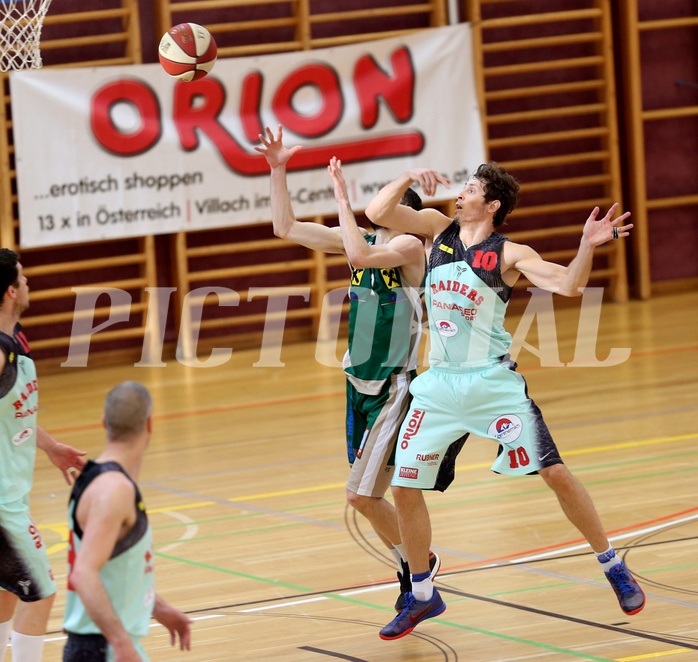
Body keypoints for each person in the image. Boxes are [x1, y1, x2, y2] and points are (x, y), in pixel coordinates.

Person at [362, 163, 646, 640]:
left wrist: (586, 247)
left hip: (492, 383)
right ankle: (424, 596)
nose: (460, 194)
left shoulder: (511, 253)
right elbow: (377, 210)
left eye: (470, 189)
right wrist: (410, 176)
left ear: (491, 205)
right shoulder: (437, 231)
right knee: (404, 487)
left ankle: (612, 564)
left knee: (554, 472)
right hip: (440, 384)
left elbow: (569, 285)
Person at [255, 126, 440, 610]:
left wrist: (340, 194)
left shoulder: (411, 251)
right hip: (355, 384)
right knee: (370, 495)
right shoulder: (364, 241)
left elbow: (361, 251)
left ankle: (419, 569)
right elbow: (285, 229)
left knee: (360, 497)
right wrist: (278, 171)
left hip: (392, 386)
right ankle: (415, 563)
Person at [62, 381, 191, 661]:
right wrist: (121, 643)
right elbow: (84, 574)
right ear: (150, 424)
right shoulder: (114, 490)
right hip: (104, 648)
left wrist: (158, 608)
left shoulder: (98, 479)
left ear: (104, 422)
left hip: (102, 645)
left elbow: (115, 569)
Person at [0, 248, 87, 662]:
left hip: (11, 497)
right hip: (1, 507)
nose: (30, 282)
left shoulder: (14, 340)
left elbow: (15, 413)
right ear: (12, 290)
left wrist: (51, 447)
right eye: (24, 277)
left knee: (7, 593)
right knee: (42, 592)